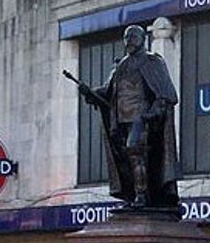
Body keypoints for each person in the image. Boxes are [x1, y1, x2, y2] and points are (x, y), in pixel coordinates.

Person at [73, 24, 181, 209]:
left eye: (132, 37)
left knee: (135, 153)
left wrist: (153, 112)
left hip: (141, 119)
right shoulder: (121, 65)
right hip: (120, 122)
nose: (128, 41)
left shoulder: (152, 62)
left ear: (143, 39)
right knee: (126, 159)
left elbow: (166, 94)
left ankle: (141, 197)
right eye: (126, 38)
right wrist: (89, 92)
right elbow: (107, 92)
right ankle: (137, 195)